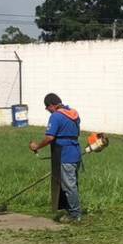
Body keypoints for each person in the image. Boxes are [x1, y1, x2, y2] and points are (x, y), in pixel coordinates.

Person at [30, 93, 82, 222]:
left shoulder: (56, 116)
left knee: (69, 186)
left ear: (52, 105)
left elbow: (50, 137)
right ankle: (72, 210)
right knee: (72, 184)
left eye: (47, 108)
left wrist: (37, 146)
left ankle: (75, 215)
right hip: (75, 152)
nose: (48, 111)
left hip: (65, 154)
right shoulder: (74, 113)